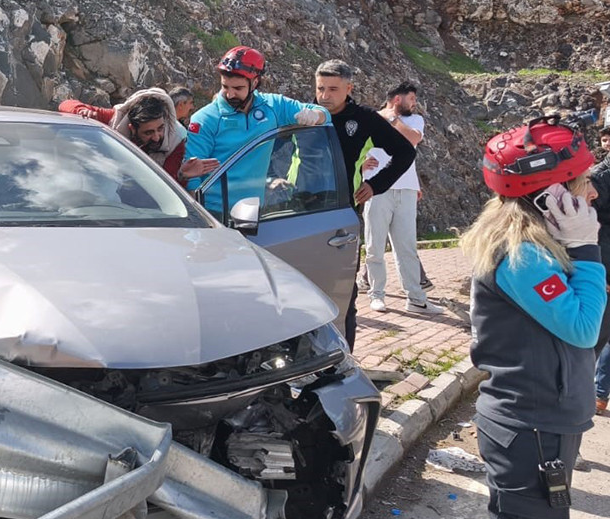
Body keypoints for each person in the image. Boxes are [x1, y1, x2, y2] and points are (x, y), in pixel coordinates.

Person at [434, 116, 603, 519]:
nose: (592, 192)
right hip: (533, 424)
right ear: (550, 195)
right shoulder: (523, 255)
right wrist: (587, 249)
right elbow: (583, 327)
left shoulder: (529, 243)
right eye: (581, 183)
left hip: (531, 418)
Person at [312, 59, 419, 348]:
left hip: (341, 215)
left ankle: (344, 358)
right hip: (300, 212)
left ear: (349, 88)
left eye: (333, 89)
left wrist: (376, 185)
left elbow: (405, 152)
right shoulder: (305, 114)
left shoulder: (363, 118)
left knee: (343, 294)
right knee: (303, 292)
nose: (324, 96)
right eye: (320, 88)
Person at [185, 45, 329, 213]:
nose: (230, 94)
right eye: (225, 87)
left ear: (254, 83)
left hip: (254, 211)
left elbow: (325, 113)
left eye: (238, 88)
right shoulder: (205, 119)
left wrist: (316, 116)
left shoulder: (273, 106)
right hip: (214, 212)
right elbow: (191, 177)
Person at [357, 81, 444, 315]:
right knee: (374, 246)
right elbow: (355, 147)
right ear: (398, 98)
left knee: (407, 247)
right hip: (376, 189)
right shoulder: (370, 119)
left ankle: (416, 299)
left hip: (406, 190)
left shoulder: (414, 120)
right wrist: (361, 164)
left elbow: (412, 140)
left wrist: (392, 119)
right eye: (411, 99)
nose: (414, 103)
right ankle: (376, 295)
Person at [59, 89, 219, 183]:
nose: (157, 137)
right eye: (148, 132)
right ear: (132, 128)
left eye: (160, 129)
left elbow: (164, 187)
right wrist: (82, 111)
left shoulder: (175, 140)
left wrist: (182, 175)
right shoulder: (116, 120)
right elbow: (66, 104)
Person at [590, 126, 610, 413]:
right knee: (598, 333)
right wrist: (598, 269)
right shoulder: (600, 176)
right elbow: (587, 224)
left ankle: (599, 392)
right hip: (605, 260)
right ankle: (588, 392)